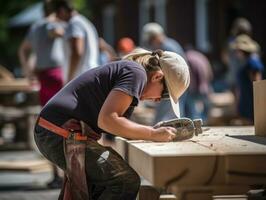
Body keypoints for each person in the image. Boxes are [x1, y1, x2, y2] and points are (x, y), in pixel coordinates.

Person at [34, 48, 190, 199]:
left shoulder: (131, 73)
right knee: (124, 181)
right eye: (164, 95)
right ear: (157, 76)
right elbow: (108, 120)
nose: (157, 100)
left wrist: (151, 131)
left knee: (102, 183)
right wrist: (152, 133)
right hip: (56, 131)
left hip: (55, 130)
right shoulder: (136, 73)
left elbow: (117, 126)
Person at [18, 1, 66, 188]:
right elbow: (59, 33)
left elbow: (23, 50)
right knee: (61, 124)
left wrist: (27, 72)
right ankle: (63, 173)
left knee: (48, 123)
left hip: (43, 75)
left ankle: (56, 174)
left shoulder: (35, 26)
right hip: (56, 75)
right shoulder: (50, 24)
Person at [141, 22, 187, 123]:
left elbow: (174, 70)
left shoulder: (168, 47)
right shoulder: (170, 44)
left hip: (170, 84)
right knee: (175, 112)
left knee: (167, 112)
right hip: (172, 84)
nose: (150, 43)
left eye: (151, 40)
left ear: (156, 36)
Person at [54, 0, 99, 82]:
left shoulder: (74, 23)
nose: (57, 18)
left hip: (81, 77)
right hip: (89, 73)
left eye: (57, 14)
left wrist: (69, 78)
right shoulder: (83, 21)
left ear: (62, 10)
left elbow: (77, 52)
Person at [230, 34, 264, 123]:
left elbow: (258, 84)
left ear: (242, 51)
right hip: (246, 101)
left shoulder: (252, 63)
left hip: (251, 104)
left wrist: (258, 108)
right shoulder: (246, 62)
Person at [185, 47, 213, 123]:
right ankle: (204, 122)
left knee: (192, 109)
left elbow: (189, 74)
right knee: (206, 107)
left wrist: (190, 87)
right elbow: (209, 72)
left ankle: (196, 124)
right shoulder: (200, 56)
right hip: (205, 86)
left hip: (194, 87)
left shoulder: (187, 57)